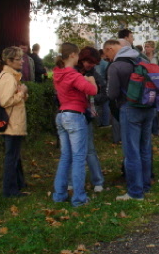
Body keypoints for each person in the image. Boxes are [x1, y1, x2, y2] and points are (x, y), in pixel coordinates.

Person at [104, 39, 156, 201]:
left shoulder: (116, 66)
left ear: (111, 49)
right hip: (148, 107)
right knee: (145, 148)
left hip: (129, 109)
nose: (107, 57)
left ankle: (135, 192)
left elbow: (111, 94)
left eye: (107, 53)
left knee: (131, 152)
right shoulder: (141, 59)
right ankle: (145, 185)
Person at [52, 43, 98, 207]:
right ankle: (79, 198)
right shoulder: (73, 74)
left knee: (65, 156)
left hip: (61, 115)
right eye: (77, 55)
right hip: (75, 115)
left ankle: (59, 194)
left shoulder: (57, 73)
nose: (78, 58)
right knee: (79, 157)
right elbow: (92, 91)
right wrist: (91, 80)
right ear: (72, 55)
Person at [0, 47, 29, 197]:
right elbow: (5, 101)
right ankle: (10, 190)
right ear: (9, 61)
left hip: (12, 122)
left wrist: (22, 93)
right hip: (12, 123)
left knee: (14, 155)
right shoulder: (7, 77)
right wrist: (21, 92)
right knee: (11, 156)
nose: (22, 61)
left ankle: (19, 183)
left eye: (22, 58)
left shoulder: (9, 76)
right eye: (18, 59)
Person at [73, 46, 106, 193]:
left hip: (85, 114)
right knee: (70, 151)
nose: (89, 65)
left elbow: (104, 93)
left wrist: (92, 99)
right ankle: (71, 182)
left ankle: (98, 181)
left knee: (89, 149)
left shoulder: (94, 75)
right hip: (72, 113)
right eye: (87, 62)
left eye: (92, 63)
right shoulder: (72, 71)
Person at [95, 49, 111, 128]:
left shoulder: (94, 64)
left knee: (97, 105)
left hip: (95, 86)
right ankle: (105, 123)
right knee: (105, 105)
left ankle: (98, 122)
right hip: (104, 86)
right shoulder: (106, 64)